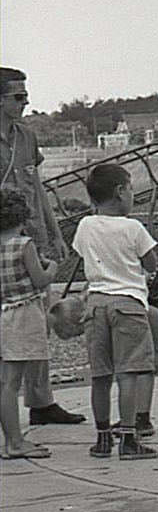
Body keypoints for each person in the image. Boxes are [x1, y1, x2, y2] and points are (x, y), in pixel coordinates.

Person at [0, 67, 84, 427]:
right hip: (4, 244)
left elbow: (39, 190)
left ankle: (41, 401)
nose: (26, 102)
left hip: (31, 237)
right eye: (18, 97)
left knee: (37, 321)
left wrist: (54, 233)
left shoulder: (27, 138)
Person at [71, 164, 158, 460]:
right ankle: (128, 439)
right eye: (131, 188)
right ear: (121, 192)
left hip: (96, 304)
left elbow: (85, 253)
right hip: (128, 303)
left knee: (100, 375)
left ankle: (101, 439)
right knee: (128, 374)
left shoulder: (85, 225)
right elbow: (151, 263)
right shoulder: (133, 228)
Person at [0, 187, 54, 459]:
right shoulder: (24, 245)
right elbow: (40, 280)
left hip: (3, 312)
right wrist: (52, 267)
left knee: (4, 381)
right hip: (23, 314)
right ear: (21, 216)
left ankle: (11, 438)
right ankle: (15, 443)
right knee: (12, 382)